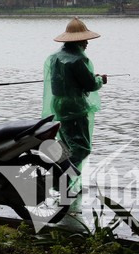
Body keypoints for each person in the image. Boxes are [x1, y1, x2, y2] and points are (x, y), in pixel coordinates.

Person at [42, 17, 107, 172]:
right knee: (81, 148)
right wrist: (100, 80)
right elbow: (90, 85)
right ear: (77, 41)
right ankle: (60, 177)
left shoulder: (55, 58)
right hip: (75, 108)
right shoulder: (78, 60)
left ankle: (59, 181)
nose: (87, 43)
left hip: (58, 106)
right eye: (84, 40)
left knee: (64, 144)